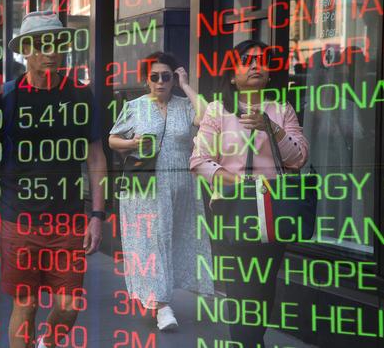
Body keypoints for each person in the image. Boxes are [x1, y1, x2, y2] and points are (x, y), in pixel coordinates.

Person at [0, 11, 107, 348]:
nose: (53, 52)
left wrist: (97, 216)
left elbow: (96, 157)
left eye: (59, 44)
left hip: (67, 220)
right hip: (18, 219)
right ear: (27, 50)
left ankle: (47, 343)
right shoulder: (4, 98)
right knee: (26, 302)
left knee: (69, 305)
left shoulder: (80, 95)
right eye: (45, 44)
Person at [189, 40, 309, 346]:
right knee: (242, 290)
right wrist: (237, 182)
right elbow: (199, 160)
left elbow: (299, 158)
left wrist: (272, 129)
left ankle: (253, 339)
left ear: (269, 75)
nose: (256, 65)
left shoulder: (281, 110)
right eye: (246, 60)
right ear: (233, 75)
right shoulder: (218, 111)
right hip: (233, 212)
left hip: (273, 214)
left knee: (265, 287)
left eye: (261, 60)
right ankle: (247, 342)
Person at [108, 51, 211, 330]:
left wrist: (187, 85)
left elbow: (207, 119)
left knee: (174, 239)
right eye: (155, 77)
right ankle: (163, 307)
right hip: (145, 186)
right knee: (151, 241)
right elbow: (113, 140)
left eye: (167, 77)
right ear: (146, 80)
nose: (161, 82)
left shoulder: (183, 105)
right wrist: (132, 143)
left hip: (181, 186)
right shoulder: (135, 106)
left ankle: (155, 297)